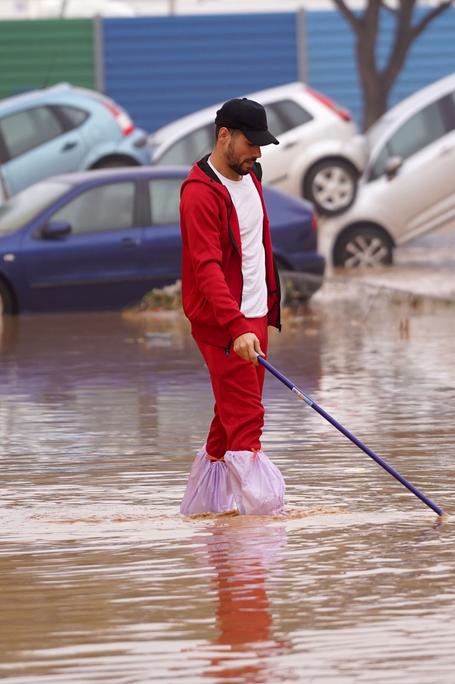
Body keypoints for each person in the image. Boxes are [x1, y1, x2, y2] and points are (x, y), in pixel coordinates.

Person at [179, 97, 286, 516]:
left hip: (255, 317)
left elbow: (256, 250)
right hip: (226, 325)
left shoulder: (251, 174)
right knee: (247, 421)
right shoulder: (199, 195)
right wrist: (236, 326)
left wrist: (261, 316)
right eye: (250, 143)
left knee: (228, 421)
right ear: (223, 135)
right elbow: (206, 269)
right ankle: (258, 542)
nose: (257, 154)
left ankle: (209, 517)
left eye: (261, 145)